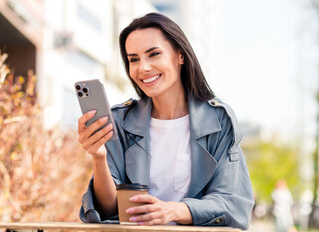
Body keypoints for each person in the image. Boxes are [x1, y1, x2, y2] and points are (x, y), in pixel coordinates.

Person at [78, 12, 254, 229]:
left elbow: (232, 201)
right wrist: (98, 157)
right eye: (134, 59)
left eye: (154, 54)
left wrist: (175, 210)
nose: (143, 67)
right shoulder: (120, 122)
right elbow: (109, 209)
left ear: (180, 55)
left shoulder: (218, 121)